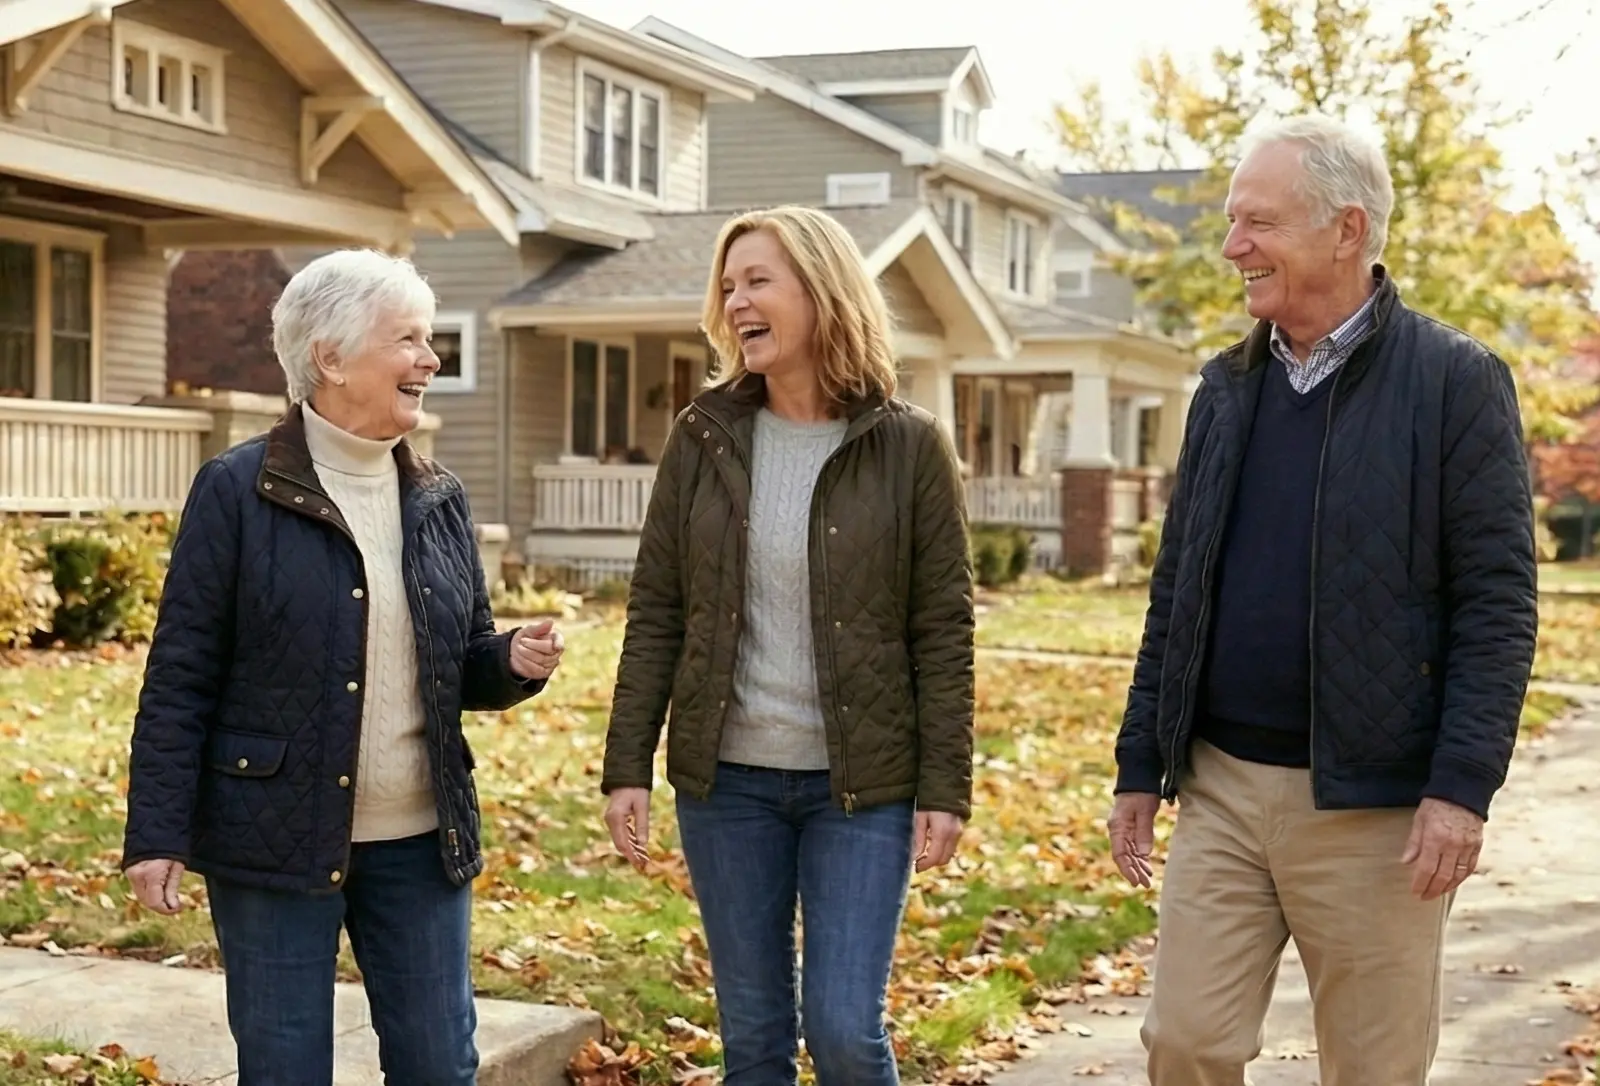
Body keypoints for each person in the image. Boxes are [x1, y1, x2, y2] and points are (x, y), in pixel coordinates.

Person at [1107, 113, 1539, 1086]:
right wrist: (1141, 760)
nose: (1231, 248)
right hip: (1219, 785)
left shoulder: (1455, 384)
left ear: (1345, 230)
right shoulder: (1222, 389)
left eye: (1256, 223)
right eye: (1229, 223)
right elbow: (1176, 587)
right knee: (1186, 1044)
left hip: (1374, 810)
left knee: (1373, 1071)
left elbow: (1497, 603)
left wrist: (1460, 786)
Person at [120, 249, 566, 1086]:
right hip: (274, 840)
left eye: (429, 340)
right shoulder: (236, 489)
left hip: (422, 843)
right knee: (285, 1066)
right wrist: (157, 830)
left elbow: (463, 664)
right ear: (330, 358)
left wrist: (510, 658)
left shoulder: (438, 496)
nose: (430, 360)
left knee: (440, 1065)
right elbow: (182, 671)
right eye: (408, 339)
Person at [600, 205, 975, 1086]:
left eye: (758, 281)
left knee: (845, 1034)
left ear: (821, 290)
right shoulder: (703, 435)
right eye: (728, 287)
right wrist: (627, 765)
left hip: (864, 788)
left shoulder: (908, 445)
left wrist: (944, 786)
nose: (736, 303)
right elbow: (657, 606)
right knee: (756, 1045)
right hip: (727, 786)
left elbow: (944, 626)